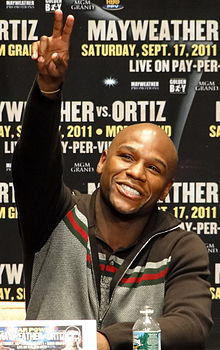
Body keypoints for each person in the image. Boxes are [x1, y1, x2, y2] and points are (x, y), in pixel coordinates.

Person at [12, 9, 212, 350]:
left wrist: (105, 341)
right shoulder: (55, 214)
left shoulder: (180, 247)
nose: (136, 173)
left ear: (166, 190)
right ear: (102, 162)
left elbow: (190, 325)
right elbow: (33, 162)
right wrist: (48, 90)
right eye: (127, 157)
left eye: (154, 168)